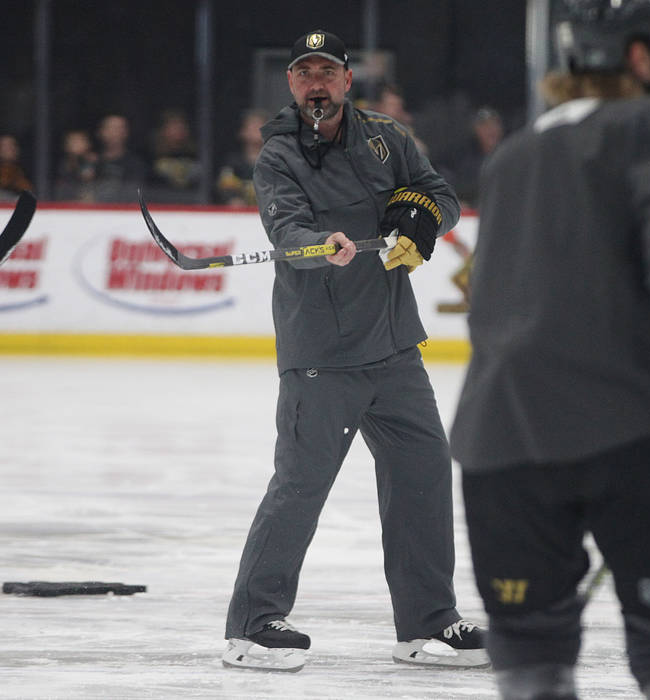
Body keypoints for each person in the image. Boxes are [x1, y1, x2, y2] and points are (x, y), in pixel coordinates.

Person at [450, 2, 650, 698]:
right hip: (627, 431)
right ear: (638, 58)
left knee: (533, 658)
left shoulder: (516, 152)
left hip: (495, 444)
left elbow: (491, 294)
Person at [222, 29, 487, 672]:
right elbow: (286, 229)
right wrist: (321, 243)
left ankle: (426, 624)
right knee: (302, 484)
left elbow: (441, 197)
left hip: (395, 347)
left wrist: (419, 225)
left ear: (346, 79)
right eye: (304, 72)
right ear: (292, 83)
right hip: (323, 351)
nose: (317, 82)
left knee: (423, 474)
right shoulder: (277, 156)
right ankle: (253, 627)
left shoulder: (386, 137)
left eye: (327, 71)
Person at [215, 108, 268, 207]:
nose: (257, 129)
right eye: (252, 126)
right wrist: (233, 199)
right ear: (242, 132)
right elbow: (225, 190)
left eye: (261, 126)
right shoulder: (232, 163)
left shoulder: (276, 163)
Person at [93, 113, 145, 203]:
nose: (114, 133)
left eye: (118, 128)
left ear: (126, 132)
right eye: (110, 128)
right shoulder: (92, 161)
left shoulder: (135, 165)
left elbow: (134, 196)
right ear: (100, 132)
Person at [54, 129, 97, 202]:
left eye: (80, 141)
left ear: (88, 144)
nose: (76, 144)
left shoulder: (97, 164)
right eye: (72, 141)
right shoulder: (59, 168)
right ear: (65, 145)